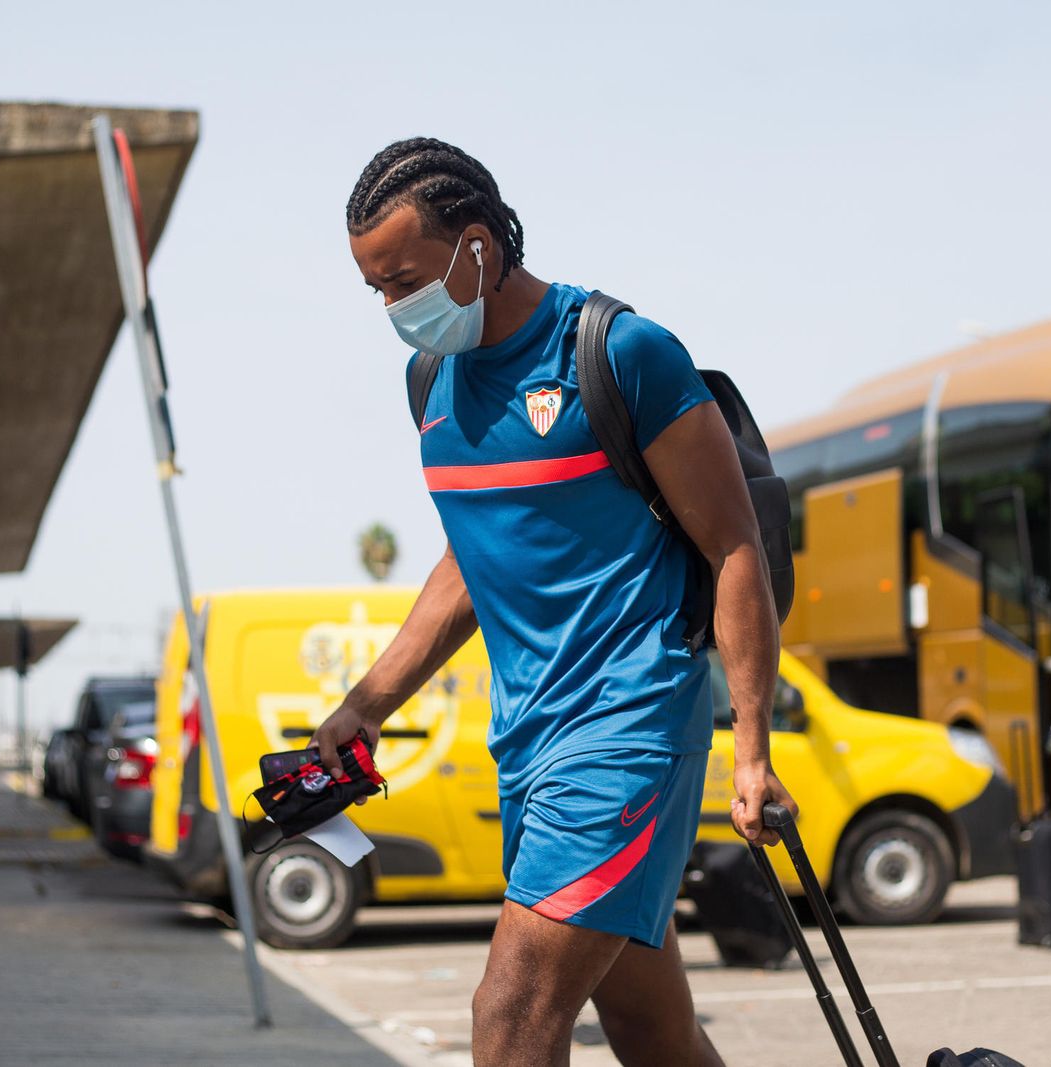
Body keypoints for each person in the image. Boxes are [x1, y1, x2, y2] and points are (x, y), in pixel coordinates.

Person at [312, 137, 796, 1067]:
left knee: (513, 1009)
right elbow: (471, 563)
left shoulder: (622, 353)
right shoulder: (433, 385)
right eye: (376, 289)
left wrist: (751, 751)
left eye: (403, 280)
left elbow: (733, 543)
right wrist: (366, 706)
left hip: (630, 728)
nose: (393, 308)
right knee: (649, 1029)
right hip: (526, 740)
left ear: (480, 247)